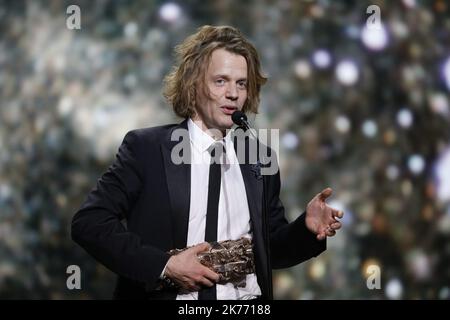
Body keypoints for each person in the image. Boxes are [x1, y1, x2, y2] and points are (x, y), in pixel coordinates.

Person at [71, 25, 344, 300]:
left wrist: (306, 229)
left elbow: (271, 249)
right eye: (221, 81)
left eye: (241, 83)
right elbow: (90, 222)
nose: (233, 94)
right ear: (193, 84)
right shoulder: (146, 149)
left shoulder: (259, 158)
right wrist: (164, 266)